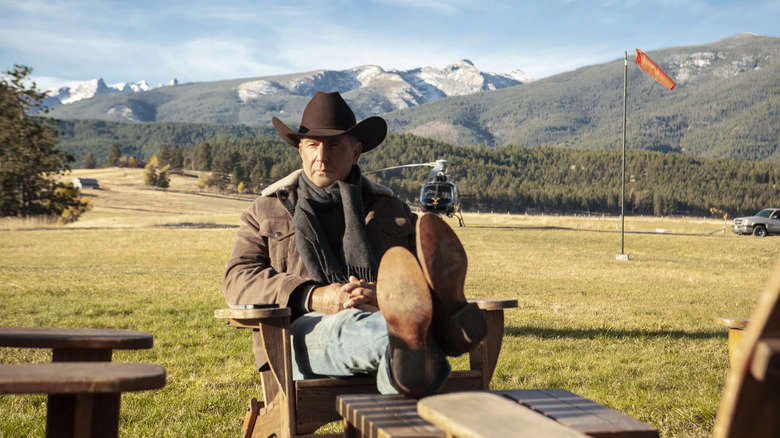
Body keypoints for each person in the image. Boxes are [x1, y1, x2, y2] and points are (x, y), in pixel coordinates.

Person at [222, 91, 486, 397]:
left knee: (404, 344)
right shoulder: (266, 211)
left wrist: (385, 295)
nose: (321, 156)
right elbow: (237, 279)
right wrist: (314, 296)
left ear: (356, 151)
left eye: (334, 145)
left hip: (381, 318)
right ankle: (438, 330)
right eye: (312, 145)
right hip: (299, 334)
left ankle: (412, 339)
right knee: (374, 330)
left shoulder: (392, 210)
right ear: (300, 151)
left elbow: (420, 275)